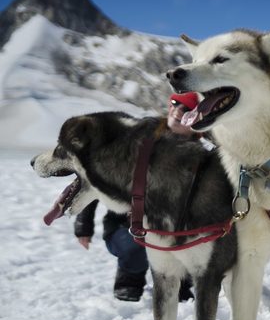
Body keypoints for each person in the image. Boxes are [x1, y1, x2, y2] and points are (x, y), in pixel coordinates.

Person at [74, 92, 202, 302]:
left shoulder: (200, 155)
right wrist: (83, 224)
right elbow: (94, 178)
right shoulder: (136, 141)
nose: (177, 111)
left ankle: (180, 284)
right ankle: (129, 281)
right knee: (137, 246)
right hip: (126, 227)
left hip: (176, 233)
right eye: (174, 103)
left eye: (187, 109)